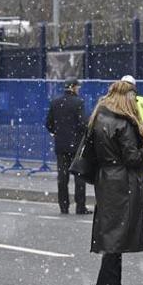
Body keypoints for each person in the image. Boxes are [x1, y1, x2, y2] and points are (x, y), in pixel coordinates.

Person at [89, 80, 143, 285]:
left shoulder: (99, 117)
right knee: (116, 237)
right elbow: (132, 158)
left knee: (111, 233)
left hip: (105, 178)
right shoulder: (123, 124)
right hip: (121, 182)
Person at [46, 77, 90, 215]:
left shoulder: (55, 102)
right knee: (79, 177)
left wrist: (57, 133)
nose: (78, 90)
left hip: (61, 146)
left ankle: (63, 207)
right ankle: (80, 206)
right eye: (78, 87)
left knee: (62, 178)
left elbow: (48, 124)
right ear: (73, 87)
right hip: (76, 146)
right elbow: (83, 123)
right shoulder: (78, 102)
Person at [120, 75, 143, 213]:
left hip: (139, 139)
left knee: (140, 173)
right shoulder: (118, 102)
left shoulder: (142, 101)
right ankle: (129, 202)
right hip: (125, 139)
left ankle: (142, 203)